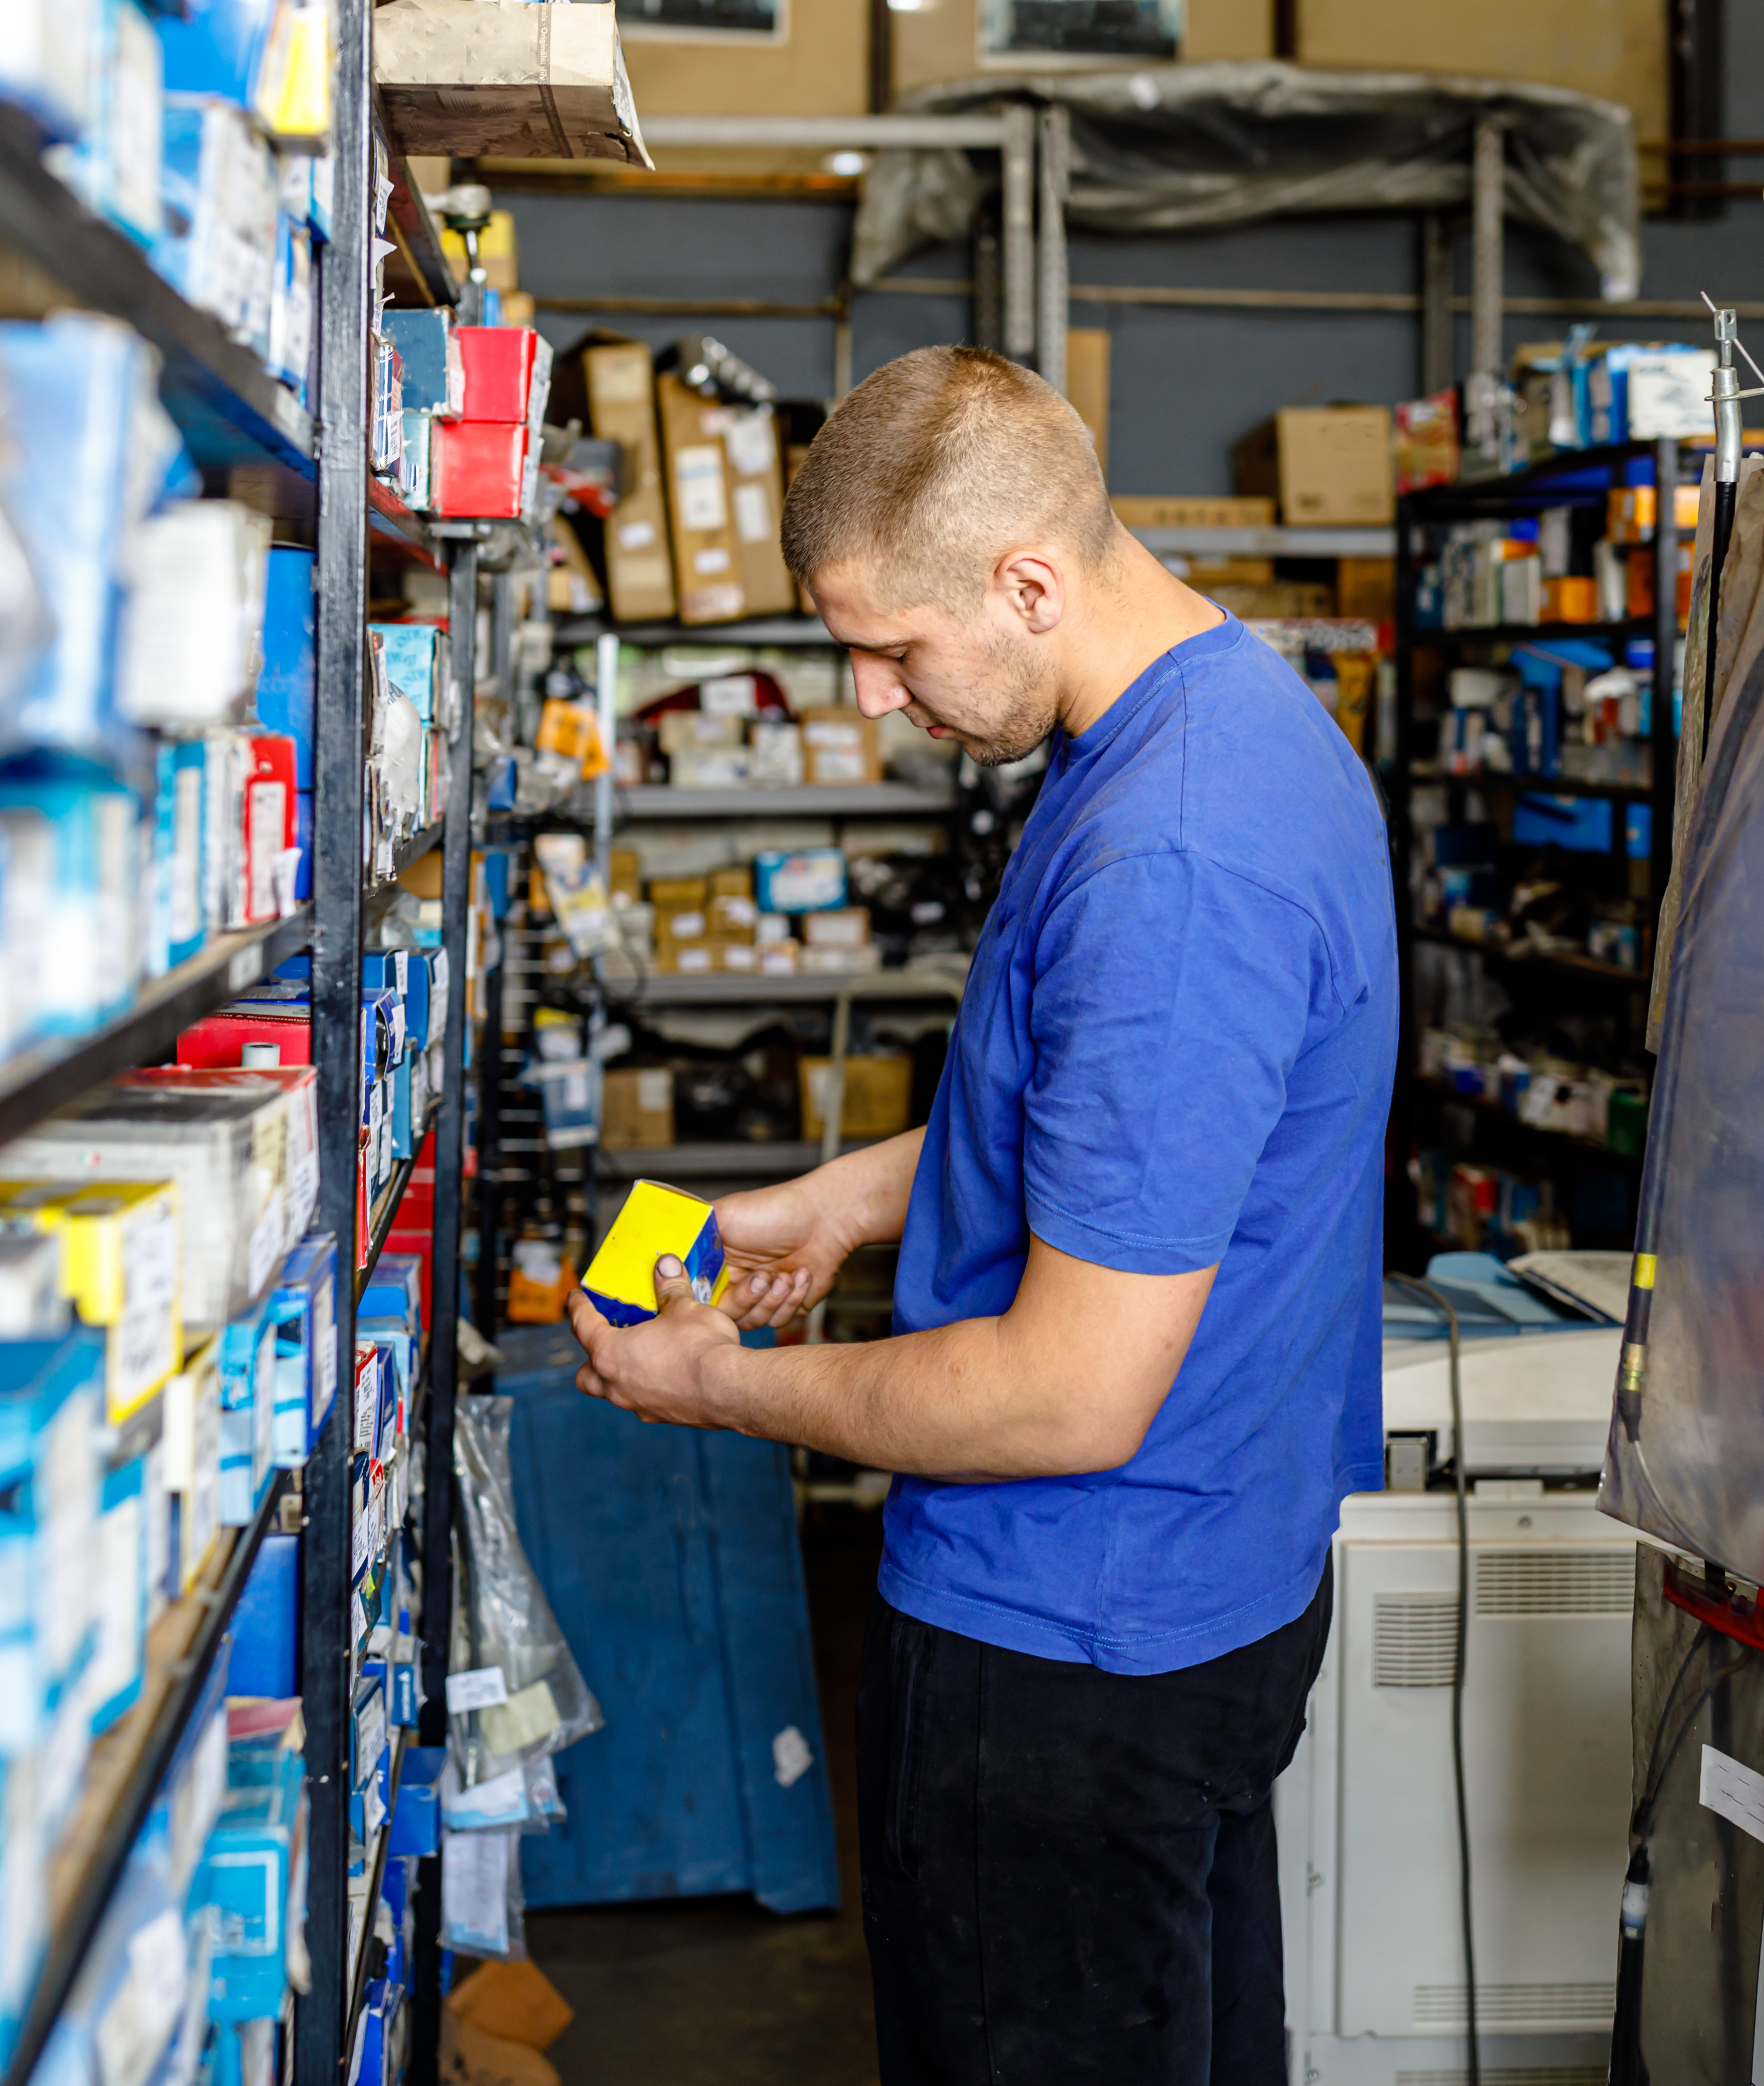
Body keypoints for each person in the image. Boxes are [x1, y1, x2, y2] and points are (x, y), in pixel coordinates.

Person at [566, 344, 1396, 2086]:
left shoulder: (1168, 859)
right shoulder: (1223, 716)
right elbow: (1125, 1135)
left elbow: (1060, 1394)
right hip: (1203, 1587)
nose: (870, 698)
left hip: (1068, 1645)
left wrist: (721, 1391)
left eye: (889, 649)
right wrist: (854, 1205)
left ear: (1027, 581)